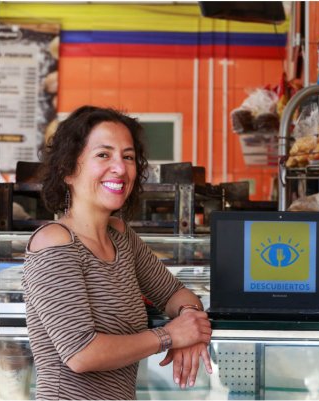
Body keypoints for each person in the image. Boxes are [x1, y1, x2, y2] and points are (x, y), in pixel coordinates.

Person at [22, 105, 213, 400]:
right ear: (68, 169)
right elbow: (81, 354)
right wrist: (171, 335)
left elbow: (176, 293)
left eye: (128, 157)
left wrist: (190, 320)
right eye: (103, 155)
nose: (120, 168)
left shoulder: (120, 236)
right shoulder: (54, 243)